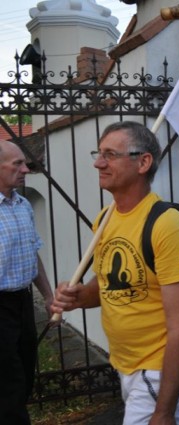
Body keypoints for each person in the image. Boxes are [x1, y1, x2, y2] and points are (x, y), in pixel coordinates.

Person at [51, 122, 179, 424]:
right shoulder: (105, 219)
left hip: (156, 364)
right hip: (125, 361)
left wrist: (164, 411)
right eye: (98, 153)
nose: (98, 162)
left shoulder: (167, 226)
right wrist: (78, 297)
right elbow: (109, 285)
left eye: (109, 154)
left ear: (143, 162)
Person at [0, 141, 54, 425]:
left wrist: (47, 295)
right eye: (17, 164)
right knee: (8, 385)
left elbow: (32, 254)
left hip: (22, 305)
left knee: (23, 375)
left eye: (25, 164)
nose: (25, 170)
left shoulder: (22, 206)